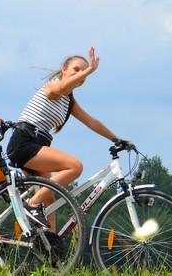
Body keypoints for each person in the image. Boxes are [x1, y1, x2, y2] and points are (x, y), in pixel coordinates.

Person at [7, 47, 126, 227]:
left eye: (83, 73)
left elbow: (91, 121)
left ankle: (50, 243)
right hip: (25, 141)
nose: (80, 75)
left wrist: (117, 139)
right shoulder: (53, 87)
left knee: (50, 201)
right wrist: (89, 70)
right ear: (64, 70)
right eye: (76, 70)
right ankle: (32, 204)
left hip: (38, 144)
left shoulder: (68, 100)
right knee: (75, 166)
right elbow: (62, 87)